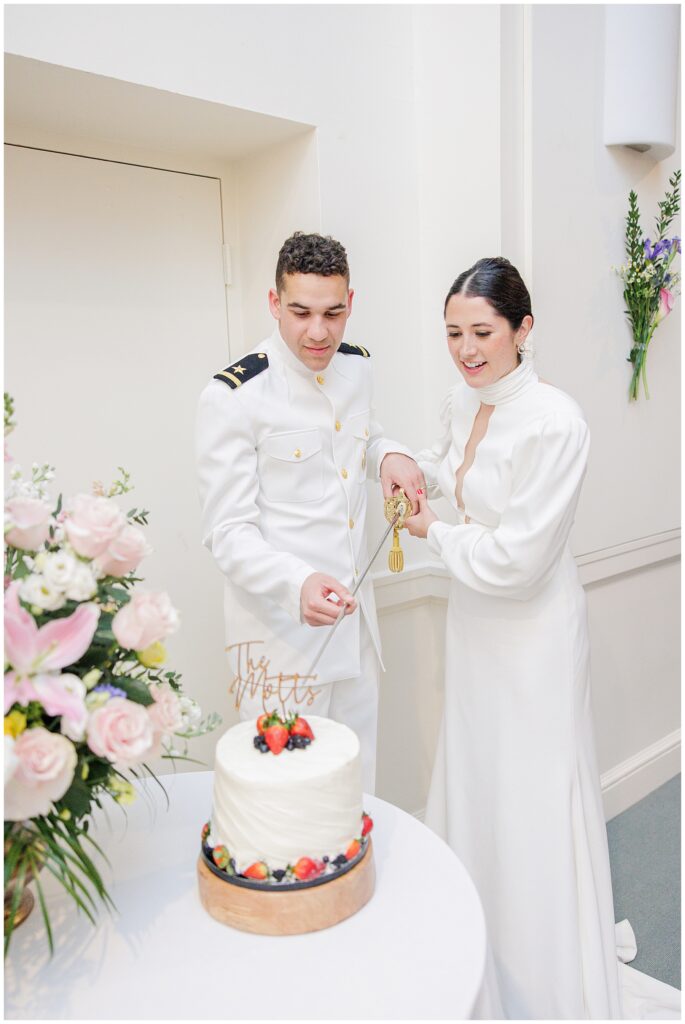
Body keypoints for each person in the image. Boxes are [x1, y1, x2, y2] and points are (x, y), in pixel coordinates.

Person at [405, 257, 680, 1019]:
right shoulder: (459, 402)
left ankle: (543, 969)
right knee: (477, 779)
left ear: (523, 329)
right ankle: (475, 939)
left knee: (530, 795)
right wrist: (404, 468)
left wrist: (432, 531)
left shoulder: (556, 420)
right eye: (453, 333)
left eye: (482, 332)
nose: (465, 349)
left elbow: (519, 561)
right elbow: (448, 469)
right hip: (473, 625)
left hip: (530, 633)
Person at [196, 232, 423, 792]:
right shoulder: (235, 396)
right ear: (274, 303)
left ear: (351, 304)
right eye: (300, 312)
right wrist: (296, 582)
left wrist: (388, 454)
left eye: (333, 312)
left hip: (357, 630)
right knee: (286, 796)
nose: (318, 331)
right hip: (282, 641)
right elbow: (227, 533)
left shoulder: (358, 369)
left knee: (356, 781)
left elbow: (359, 441)